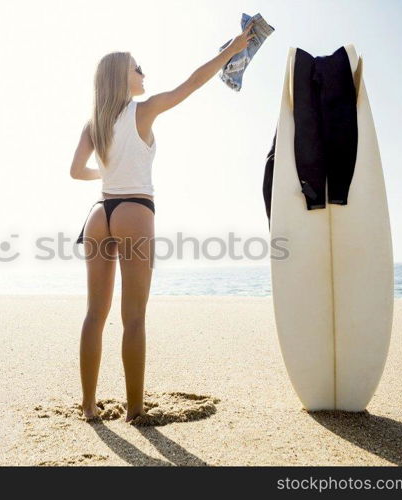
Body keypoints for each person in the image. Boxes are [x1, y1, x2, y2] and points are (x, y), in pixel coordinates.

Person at [69, 20, 259, 423]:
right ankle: (135, 410)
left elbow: (74, 171)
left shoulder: (94, 123)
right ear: (122, 76)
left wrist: (104, 176)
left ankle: (88, 407)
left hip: (98, 215)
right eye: (137, 68)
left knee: (94, 316)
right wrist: (231, 51)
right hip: (134, 211)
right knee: (133, 317)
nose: (143, 74)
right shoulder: (144, 110)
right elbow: (191, 84)